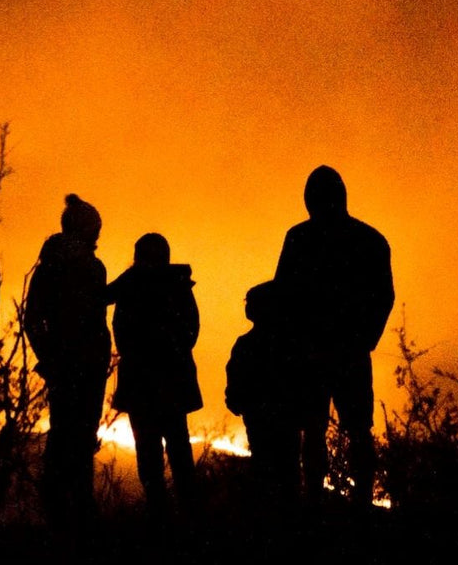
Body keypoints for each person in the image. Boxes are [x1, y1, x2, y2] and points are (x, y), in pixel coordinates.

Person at [273, 166, 394, 505]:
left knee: (325, 430)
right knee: (347, 431)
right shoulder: (369, 240)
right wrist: (363, 339)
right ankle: (354, 504)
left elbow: (284, 293)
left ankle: (319, 501)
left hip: (323, 351)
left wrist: (361, 339)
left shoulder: (300, 238)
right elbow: (382, 297)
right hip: (336, 351)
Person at [24, 194, 112, 528]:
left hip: (68, 363)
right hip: (85, 364)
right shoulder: (90, 267)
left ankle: (61, 511)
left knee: (65, 433)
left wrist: (47, 357)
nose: (98, 235)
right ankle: (76, 512)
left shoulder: (49, 266)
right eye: (96, 227)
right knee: (77, 435)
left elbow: (32, 319)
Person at [105, 233, 202, 514]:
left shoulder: (131, 284)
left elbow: (117, 325)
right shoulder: (179, 285)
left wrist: (137, 354)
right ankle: (188, 511)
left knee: (149, 450)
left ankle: (161, 512)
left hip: (141, 382)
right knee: (177, 445)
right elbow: (191, 331)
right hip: (172, 380)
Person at [226, 280, 322, 503]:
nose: (247, 306)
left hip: (262, 418)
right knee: (287, 470)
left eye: (250, 303)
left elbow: (236, 377)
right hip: (283, 418)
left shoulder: (247, 344)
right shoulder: (291, 344)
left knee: (266, 469)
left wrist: (235, 400)